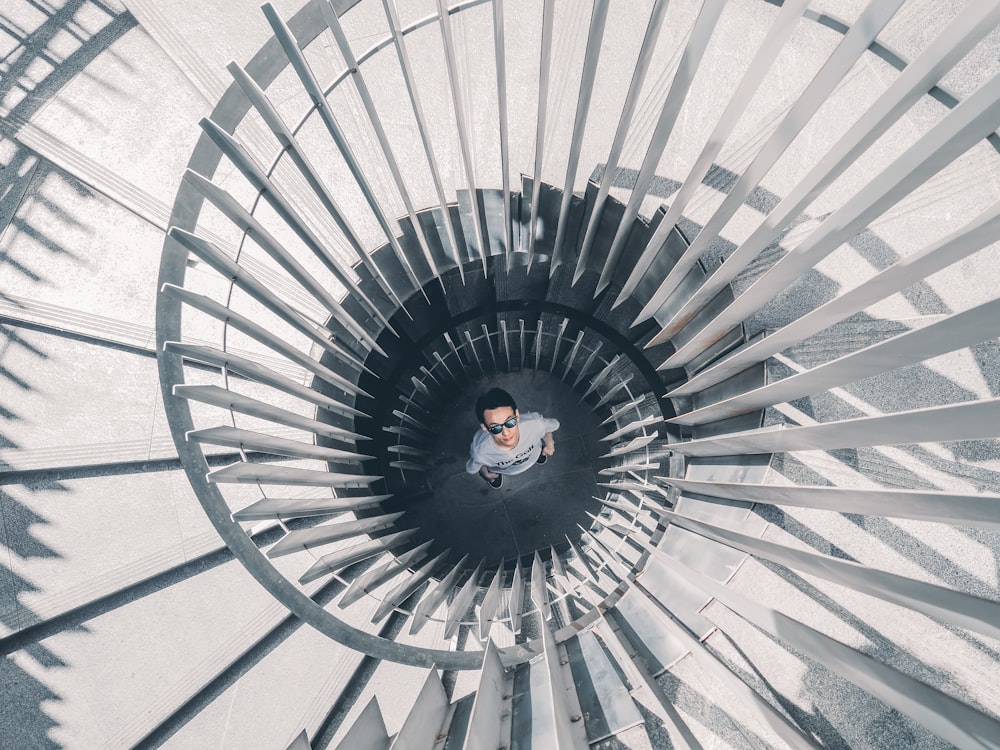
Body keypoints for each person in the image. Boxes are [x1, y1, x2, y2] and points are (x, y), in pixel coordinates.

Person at [465, 387, 559, 489]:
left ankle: (538, 455)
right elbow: (476, 465)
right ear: (485, 428)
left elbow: (548, 428)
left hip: (533, 454)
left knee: (535, 452)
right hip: (505, 470)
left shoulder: (535, 423)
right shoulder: (480, 451)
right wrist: (485, 474)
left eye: (510, 422)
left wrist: (550, 444)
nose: (506, 432)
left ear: (517, 415)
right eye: (495, 428)